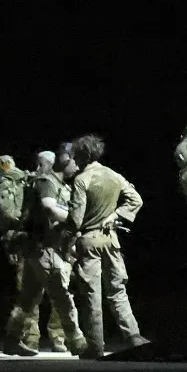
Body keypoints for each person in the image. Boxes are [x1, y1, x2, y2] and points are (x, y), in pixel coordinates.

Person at [66, 134, 149, 358]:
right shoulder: (113, 175)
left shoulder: (82, 180)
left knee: (92, 294)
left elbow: (75, 220)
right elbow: (136, 199)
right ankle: (133, 336)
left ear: (81, 156)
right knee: (118, 290)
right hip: (111, 240)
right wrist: (116, 215)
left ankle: (96, 345)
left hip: (89, 241)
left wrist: (65, 239)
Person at [1, 150, 88, 356]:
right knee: (62, 297)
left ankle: (12, 339)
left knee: (28, 299)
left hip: (38, 249)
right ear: (64, 161)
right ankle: (77, 341)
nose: (77, 165)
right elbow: (49, 208)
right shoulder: (47, 182)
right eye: (74, 161)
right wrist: (75, 218)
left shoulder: (56, 183)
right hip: (44, 249)